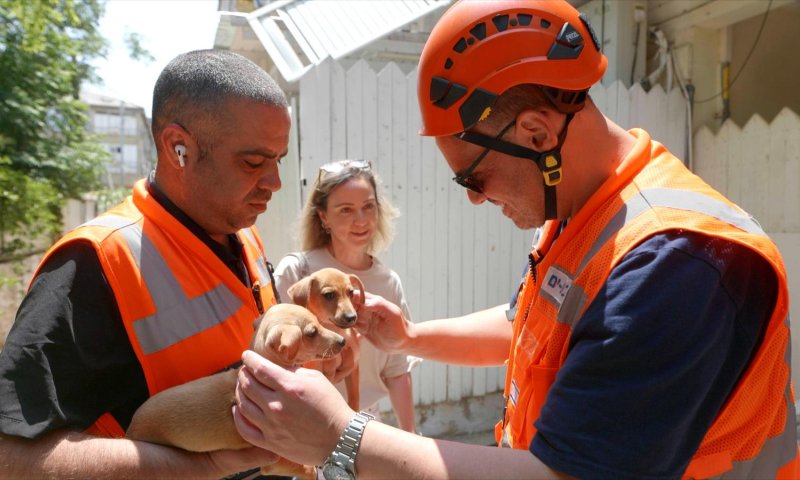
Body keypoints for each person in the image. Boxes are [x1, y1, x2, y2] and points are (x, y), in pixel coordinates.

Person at [230, 1, 799, 479]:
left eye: (472, 177)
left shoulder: (677, 264)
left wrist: (339, 436)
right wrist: (410, 336)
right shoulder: (588, 211)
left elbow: (565, 474)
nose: (475, 198)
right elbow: (530, 323)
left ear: (536, 132)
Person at [0, 49, 290, 478]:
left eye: (278, 161)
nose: (275, 183)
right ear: (179, 148)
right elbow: (12, 457)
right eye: (253, 162)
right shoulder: (93, 262)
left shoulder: (242, 233)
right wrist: (198, 468)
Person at [273, 159, 420, 433]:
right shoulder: (297, 272)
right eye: (346, 210)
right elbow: (272, 352)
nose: (361, 220)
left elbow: (397, 369)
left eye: (368, 206)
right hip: (304, 418)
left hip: (364, 421)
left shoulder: (388, 282)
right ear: (323, 217)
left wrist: (410, 434)